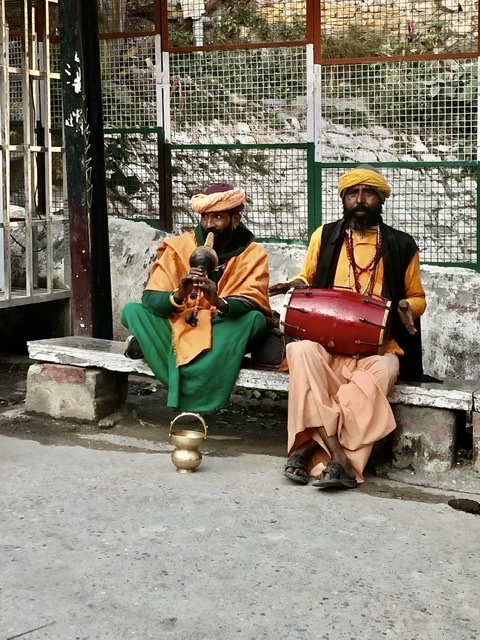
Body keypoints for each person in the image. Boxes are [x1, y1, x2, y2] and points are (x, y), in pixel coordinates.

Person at [269, 164, 427, 489]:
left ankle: (307, 449)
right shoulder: (325, 236)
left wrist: (407, 307)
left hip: (375, 348)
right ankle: (340, 459)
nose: (360, 200)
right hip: (325, 343)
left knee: (385, 370)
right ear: (344, 198)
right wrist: (293, 285)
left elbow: (417, 296)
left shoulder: (401, 244)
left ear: (380, 199)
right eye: (353, 193)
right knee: (299, 351)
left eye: (368, 193)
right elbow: (307, 277)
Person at [121, 182, 272, 412]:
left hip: (220, 327)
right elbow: (151, 299)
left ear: (235, 219)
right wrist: (179, 295)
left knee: (254, 321)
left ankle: (158, 351)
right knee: (132, 311)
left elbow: (252, 301)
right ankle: (221, 359)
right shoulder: (179, 246)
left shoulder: (252, 253)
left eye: (218, 217)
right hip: (181, 323)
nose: (210, 225)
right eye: (205, 217)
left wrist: (218, 301)